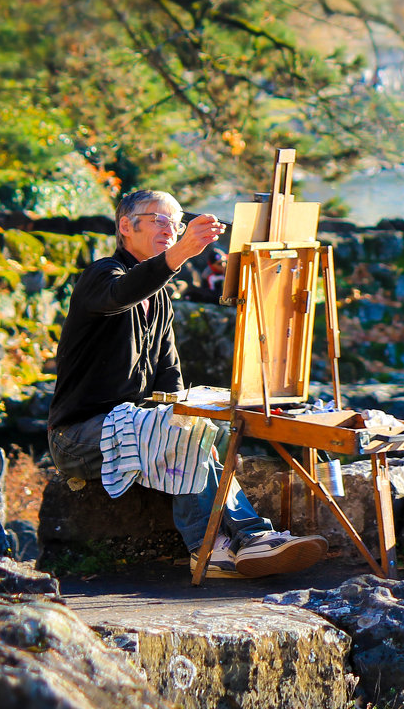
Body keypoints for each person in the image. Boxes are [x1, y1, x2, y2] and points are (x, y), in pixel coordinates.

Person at [47, 189, 327, 578]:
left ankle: (233, 545)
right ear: (126, 226)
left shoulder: (161, 298)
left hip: (136, 428)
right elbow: (121, 294)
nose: (171, 229)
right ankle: (219, 545)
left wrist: (209, 415)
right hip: (78, 437)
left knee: (203, 426)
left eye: (175, 223)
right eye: (160, 220)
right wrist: (181, 253)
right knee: (181, 431)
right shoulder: (101, 275)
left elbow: (171, 380)